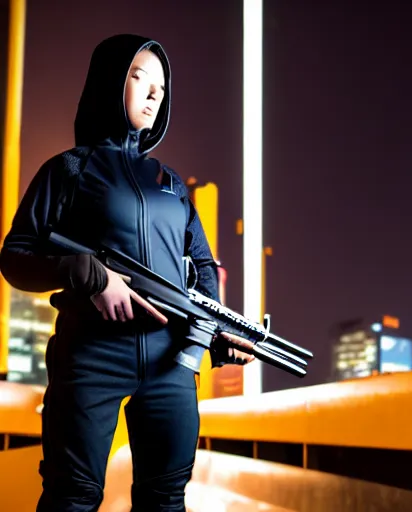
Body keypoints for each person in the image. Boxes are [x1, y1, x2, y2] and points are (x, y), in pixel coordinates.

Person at [0, 34, 254, 511]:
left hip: (171, 365)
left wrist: (217, 336)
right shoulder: (68, 170)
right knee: (71, 498)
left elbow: (201, 270)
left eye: (162, 85)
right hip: (89, 360)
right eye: (140, 78)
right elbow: (15, 257)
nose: (155, 94)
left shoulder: (172, 184)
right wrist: (85, 272)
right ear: (110, 82)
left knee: (165, 500)